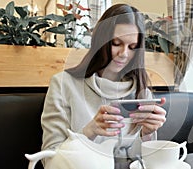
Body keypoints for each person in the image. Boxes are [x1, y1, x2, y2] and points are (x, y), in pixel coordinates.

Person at [41, 3, 167, 168]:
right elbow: (50, 160)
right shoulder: (63, 85)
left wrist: (148, 135)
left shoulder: (141, 93)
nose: (124, 54)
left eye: (132, 47)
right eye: (116, 43)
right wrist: (89, 132)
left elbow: (140, 161)